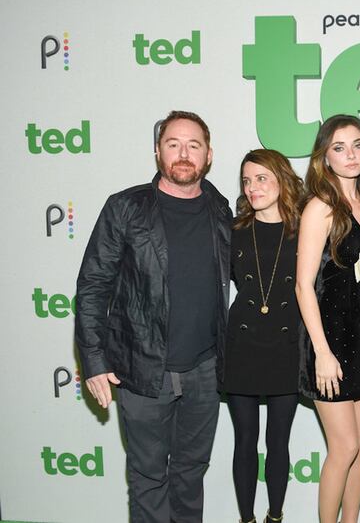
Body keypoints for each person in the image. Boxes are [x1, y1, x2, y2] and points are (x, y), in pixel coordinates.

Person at [75, 110, 231, 522]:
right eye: (173, 143)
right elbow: (93, 286)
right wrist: (93, 361)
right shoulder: (124, 208)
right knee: (147, 479)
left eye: (193, 145)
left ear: (209, 154)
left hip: (205, 369)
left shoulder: (221, 208)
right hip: (142, 369)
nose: (183, 153)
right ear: (157, 151)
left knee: (190, 474)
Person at [295, 114, 360, 523]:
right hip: (330, 341)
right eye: (339, 147)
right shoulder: (321, 207)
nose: (351, 154)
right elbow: (303, 286)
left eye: (357, 145)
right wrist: (322, 352)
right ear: (325, 158)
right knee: (345, 447)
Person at [224, 149, 304, 523]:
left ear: (281, 180)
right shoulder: (234, 231)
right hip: (242, 345)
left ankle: (275, 516)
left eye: (260, 179)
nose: (252, 187)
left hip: (286, 346)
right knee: (244, 442)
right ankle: (247, 519)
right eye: (246, 180)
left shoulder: (304, 228)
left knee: (278, 443)